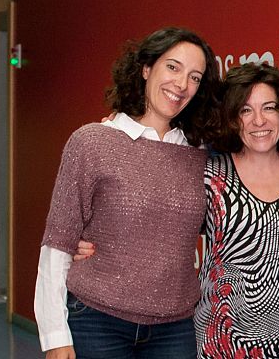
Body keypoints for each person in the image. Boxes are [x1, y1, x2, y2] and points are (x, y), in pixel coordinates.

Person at [34, 27, 221, 359]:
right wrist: (54, 335)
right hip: (97, 323)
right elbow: (58, 244)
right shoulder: (91, 142)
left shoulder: (200, 154)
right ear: (147, 69)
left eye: (195, 77)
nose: (181, 85)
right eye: (173, 67)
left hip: (174, 329)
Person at [195, 62, 279, 358]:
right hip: (219, 341)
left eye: (269, 107)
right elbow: (159, 228)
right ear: (233, 119)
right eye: (246, 110)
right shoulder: (210, 175)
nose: (258, 120)